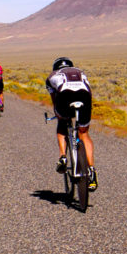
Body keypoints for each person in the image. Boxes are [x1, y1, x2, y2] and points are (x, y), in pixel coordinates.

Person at [46, 57, 97, 191]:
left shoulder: (52, 76)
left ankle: (63, 157)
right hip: (84, 96)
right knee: (84, 133)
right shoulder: (80, 72)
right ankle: (91, 172)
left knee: (62, 125)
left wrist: (59, 115)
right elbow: (88, 90)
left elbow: (54, 100)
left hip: (64, 95)